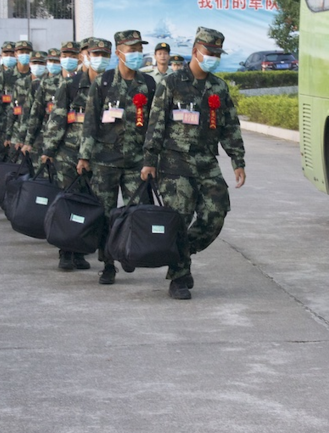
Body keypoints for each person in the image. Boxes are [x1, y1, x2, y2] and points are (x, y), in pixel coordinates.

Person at [141, 27, 246, 300]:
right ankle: (178, 277)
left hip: (206, 161)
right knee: (180, 217)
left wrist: (238, 160)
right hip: (174, 162)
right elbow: (156, 123)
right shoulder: (172, 83)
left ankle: (181, 251)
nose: (212, 57)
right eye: (209, 52)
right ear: (195, 51)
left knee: (216, 211)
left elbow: (230, 126)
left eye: (217, 54)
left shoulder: (218, 87)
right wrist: (150, 160)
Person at [79, 30, 155, 285]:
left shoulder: (149, 84)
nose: (136, 53)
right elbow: (90, 121)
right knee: (106, 213)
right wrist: (84, 156)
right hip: (105, 160)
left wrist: (152, 159)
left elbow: (155, 125)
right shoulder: (103, 83)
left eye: (139, 49)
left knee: (138, 211)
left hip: (137, 162)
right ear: (120, 52)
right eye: (131, 49)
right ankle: (108, 263)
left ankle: (129, 252)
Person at [41, 38, 106, 272]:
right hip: (69, 153)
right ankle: (65, 252)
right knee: (69, 204)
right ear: (83, 56)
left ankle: (80, 250)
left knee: (91, 206)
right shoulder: (70, 86)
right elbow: (56, 120)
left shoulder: (110, 85)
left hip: (100, 156)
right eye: (93, 53)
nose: (98, 57)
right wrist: (48, 150)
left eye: (103, 53)